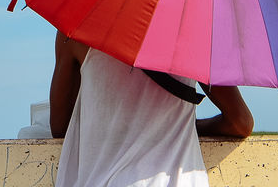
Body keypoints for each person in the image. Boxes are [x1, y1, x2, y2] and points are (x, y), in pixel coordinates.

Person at [48, 31, 253, 187]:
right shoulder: (192, 32)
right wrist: (184, 126)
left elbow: (60, 127)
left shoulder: (76, 31)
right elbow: (240, 123)